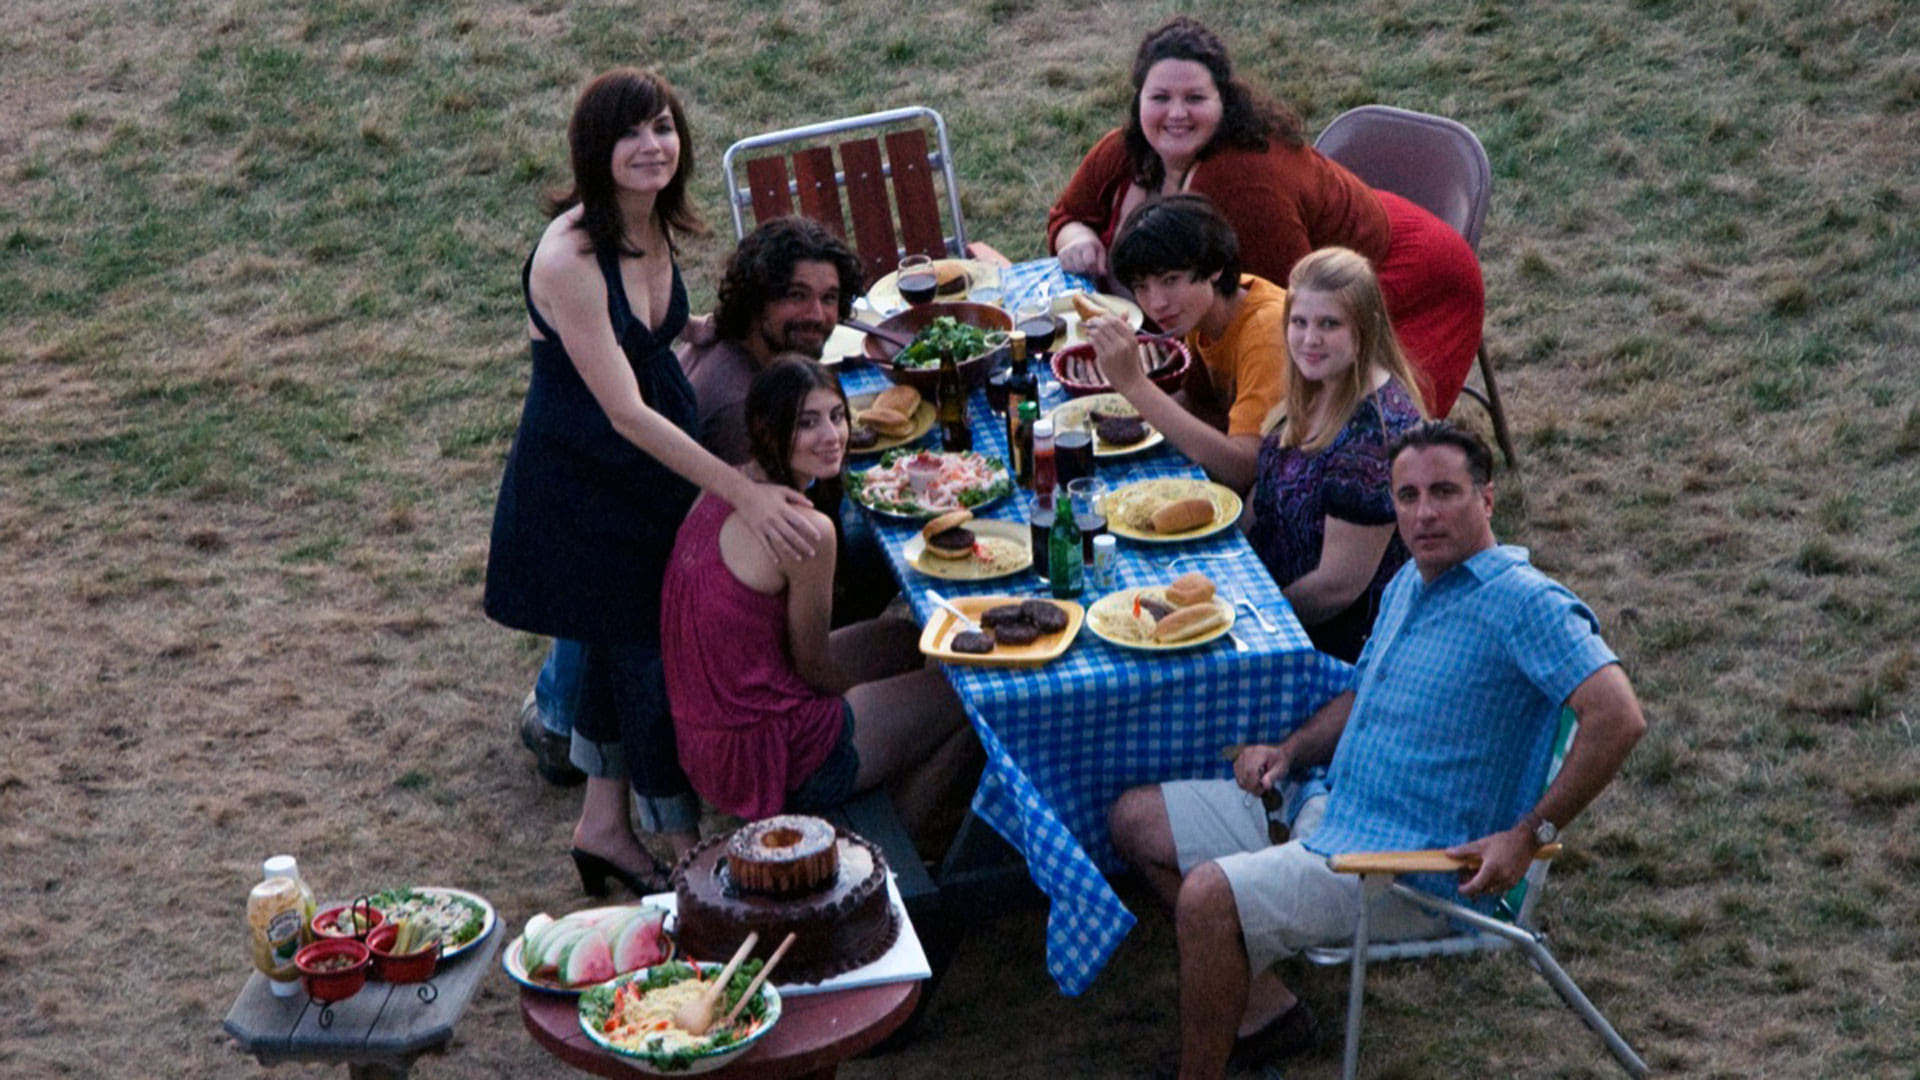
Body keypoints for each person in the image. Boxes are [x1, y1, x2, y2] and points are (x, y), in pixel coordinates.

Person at [1109, 421, 1647, 1080]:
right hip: (1331, 812)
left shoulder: (1524, 602)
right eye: (1407, 496)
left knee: (1207, 897)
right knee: (1135, 819)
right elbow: (1361, 696)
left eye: (1444, 492)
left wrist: (1529, 834)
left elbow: (1619, 716)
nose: (1424, 513)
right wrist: (1289, 752)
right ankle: (1262, 1012)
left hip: (1407, 871)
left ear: (1487, 498)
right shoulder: (1409, 583)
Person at [484, 68, 824, 896]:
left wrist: (712, 328)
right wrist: (742, 491)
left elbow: (655, 331)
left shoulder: (653, 221)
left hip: (645, 476)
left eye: (663, 128)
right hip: (587, 486)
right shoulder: (569, 258)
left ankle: (603, 827)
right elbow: (626, 413)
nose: (652, 146)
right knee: (646, 658)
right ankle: (683, 847)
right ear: (593, 150)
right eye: (630, 133)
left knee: (619, 645)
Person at [513, 217, 870, 786]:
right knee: (861, 542)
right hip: (674, 648)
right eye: (796, 296)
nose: (818, 315)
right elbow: (770, 551)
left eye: (830, 299)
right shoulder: (743, 411)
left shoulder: (727, 347)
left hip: (635, 596)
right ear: (758, 299)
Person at [1047, 16, 1484, 415]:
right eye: (1160, 97)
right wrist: (1076, 236)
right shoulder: (1127, 148)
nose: (1176, 114)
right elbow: (1067, 214)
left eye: (1195, 98)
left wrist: (1170, 398)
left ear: (1224, 101)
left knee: (1359, 431)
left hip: (1407, 276)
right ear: (1138, 99)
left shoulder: (1241, 188)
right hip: (1329, 230)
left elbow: (1282, 317)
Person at [661, 360, 977, 838]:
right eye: (807, 422)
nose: (831, 437)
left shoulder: (726, 483)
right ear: (765, 428)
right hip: (762, 750)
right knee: (970, 694)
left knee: (905, 638)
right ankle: (892, 842)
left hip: (706, 735)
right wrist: (861, 698)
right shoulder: (807, 531)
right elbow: (812, 666)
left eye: (837, 416)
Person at [1245, 247, 1428, 662]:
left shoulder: (1375, 436)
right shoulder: (1318, 385)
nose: (1310, 339)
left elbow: (1337, 587)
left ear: (1365, 328)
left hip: (1335, 646)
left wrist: (1252, 623)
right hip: (1268, 599)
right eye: (1299, 322)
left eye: (1329, 324)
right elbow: (1267, 491)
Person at [1081, 193, 1285, 493]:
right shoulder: (1202, 311)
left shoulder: (1266, 331)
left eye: (1171, 280)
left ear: (1215, 266)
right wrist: (1119, 417)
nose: (1157, 303)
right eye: (1141, 287)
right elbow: (1199, 403)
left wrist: (1134, 384)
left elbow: (1243, 469)